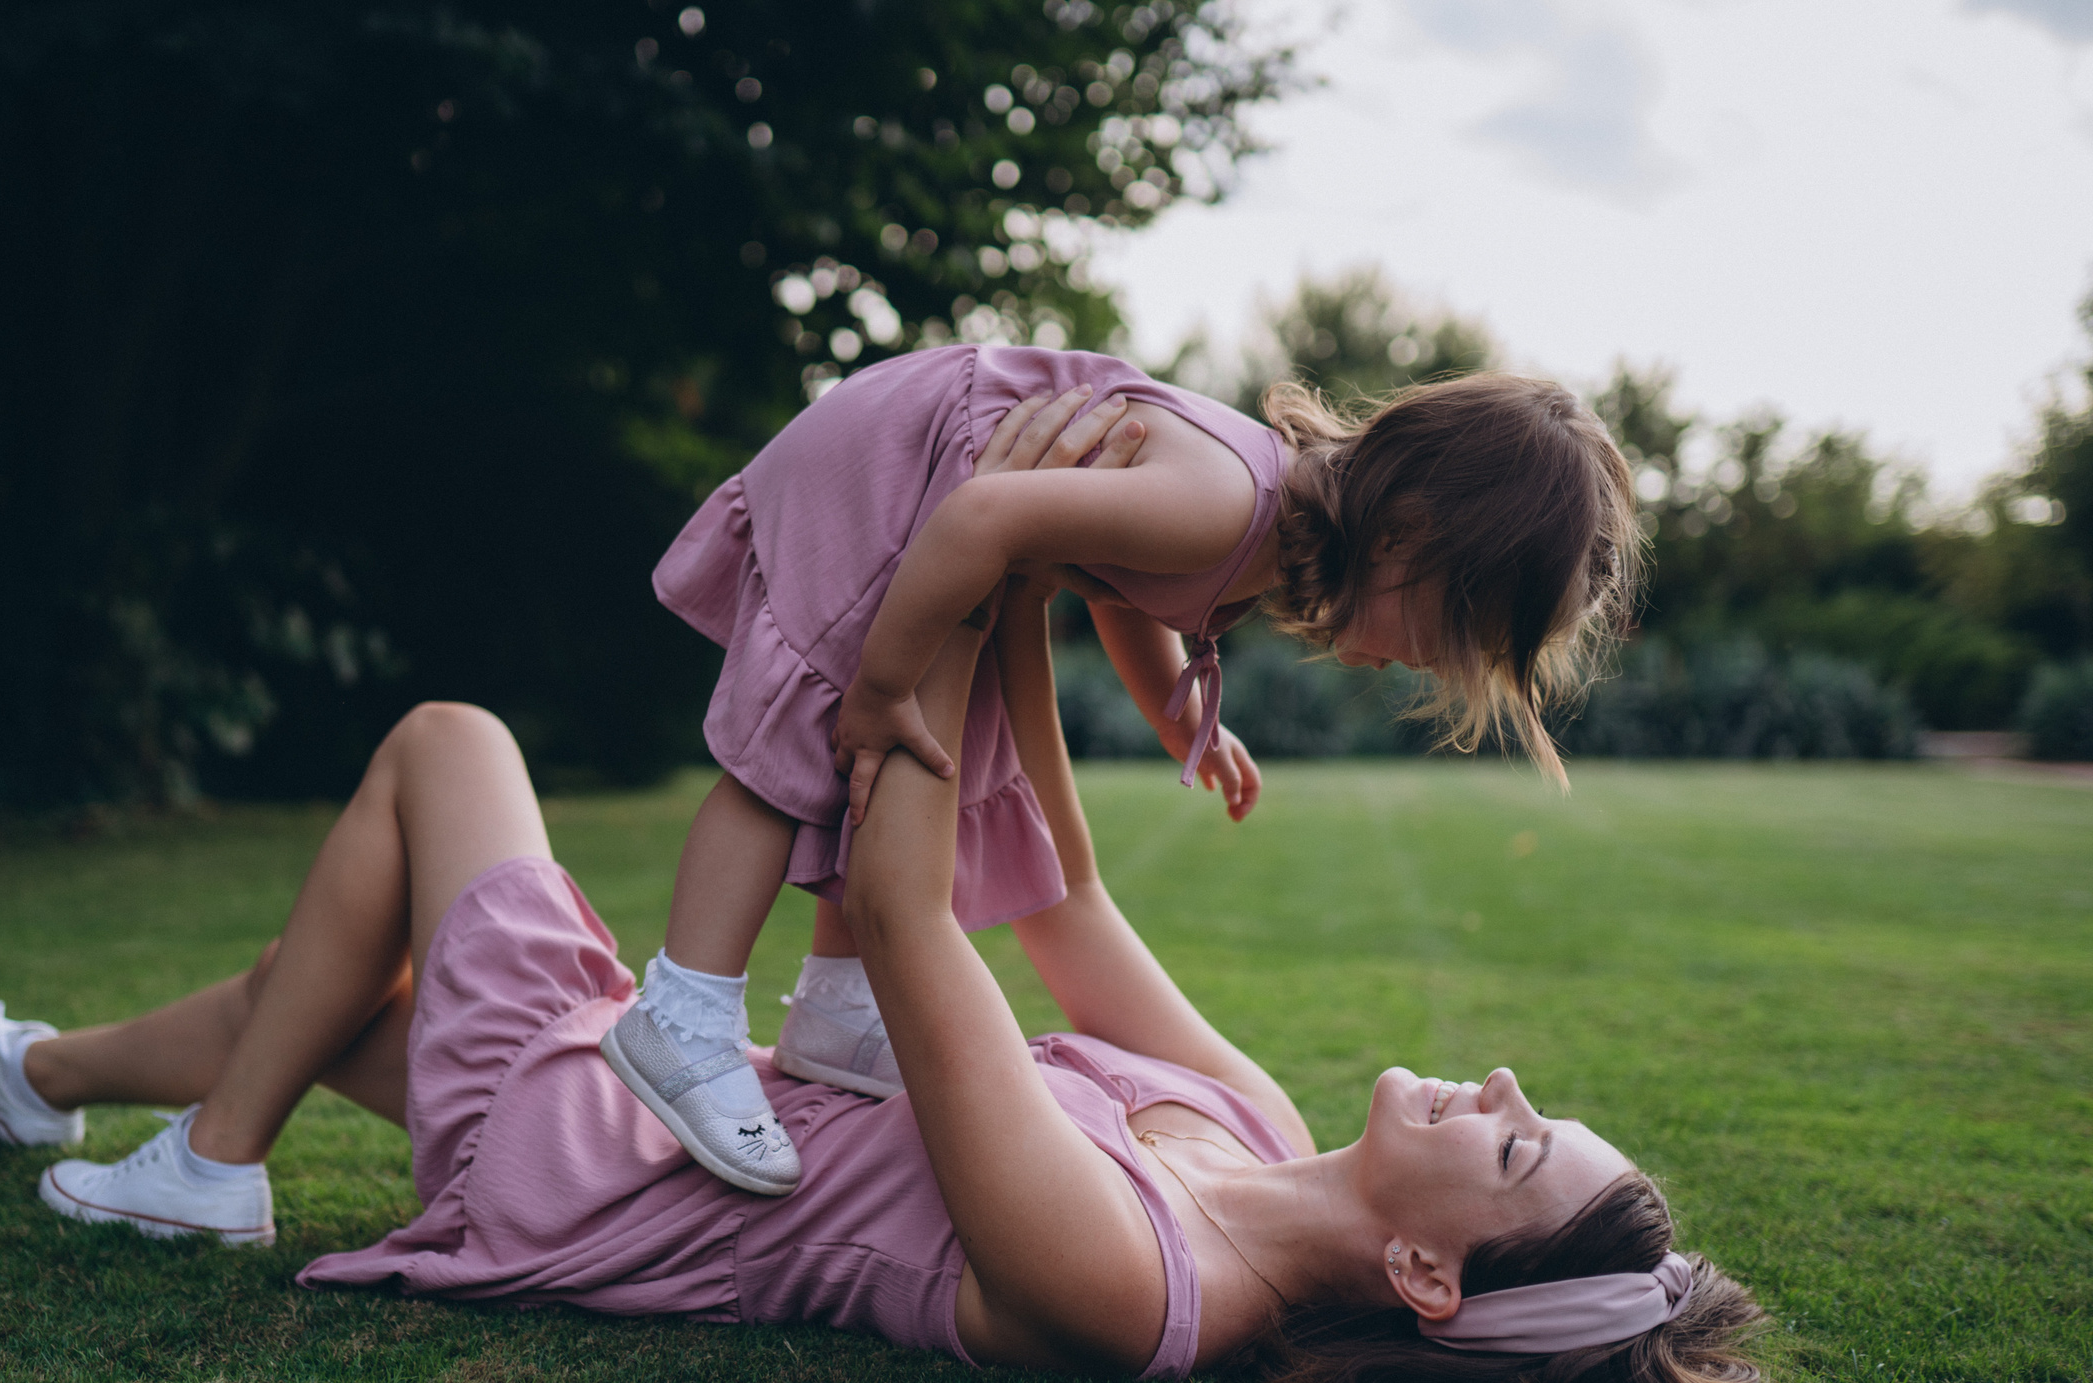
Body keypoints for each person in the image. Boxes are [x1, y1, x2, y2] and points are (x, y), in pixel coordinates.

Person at [0, 607, 1758, 1383]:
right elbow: (1069, 902)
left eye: (1516, 1139)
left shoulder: (1135, 1288)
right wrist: (1029, 575)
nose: (1503, 1085)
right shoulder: (1244, 1121)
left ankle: (184, 1160)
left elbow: (926, 931)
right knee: (342, 995)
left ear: (1429, 1274)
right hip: (691, 1101)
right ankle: (35, 1073)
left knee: (450, 749)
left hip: (591, 1177)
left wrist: (936, 586)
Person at [614, 345, 1641, 1196]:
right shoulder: (1223, 503)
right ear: (1410, 533)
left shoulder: (1259, 534)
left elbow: (1121, 591)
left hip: (949, 488)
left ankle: (839, 1011)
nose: (1425, 663)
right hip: (900, 466)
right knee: (806, 751)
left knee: (922, 760)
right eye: (1444, 632)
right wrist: (878, 684)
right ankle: (680, 1017)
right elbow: (986, 520)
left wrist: (1179, 712)